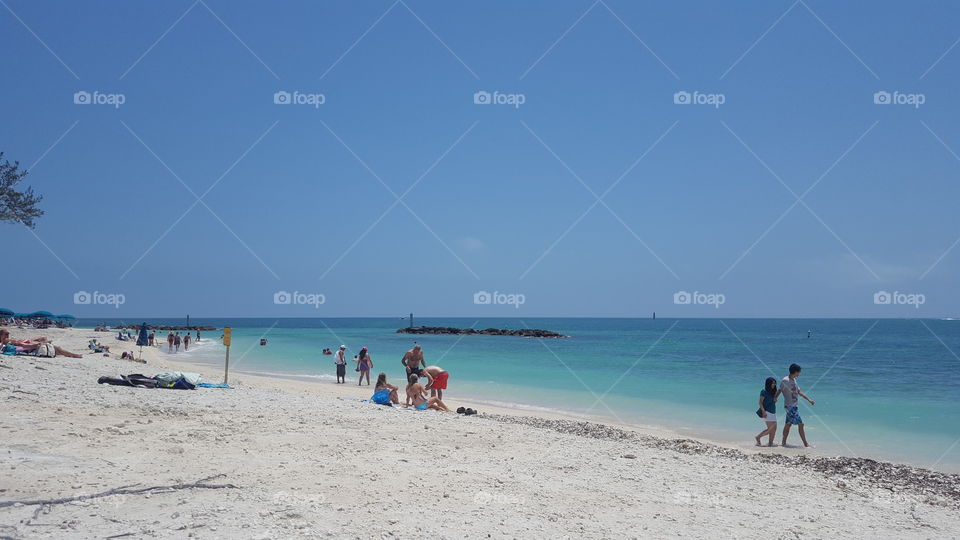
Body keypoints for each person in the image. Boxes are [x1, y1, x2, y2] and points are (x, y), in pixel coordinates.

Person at [781, 363, 815, 447]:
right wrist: (775, 398)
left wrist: (809, 399)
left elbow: (799, 392)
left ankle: (783, 443)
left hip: (794, 406)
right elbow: (780, 389)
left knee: (788, 424)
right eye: (799, 372)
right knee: (801, 424)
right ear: (795, 372)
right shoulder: (785, 380)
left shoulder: (794, 380)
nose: (799, 374)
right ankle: (806, 444)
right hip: (790, 406)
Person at [0, 329, 83, 358]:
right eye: (6, 334)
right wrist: (39, 344)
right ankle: (75, 355)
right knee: (57, 348)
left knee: (56, 349)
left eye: (8, 333)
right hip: (29, 349)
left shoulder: (8, 341)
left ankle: (73, 355)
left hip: (29, 347)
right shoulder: (7, 342)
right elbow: (24, 346)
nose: (8, 335)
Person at [755, 377, 779, 447]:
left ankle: (770, 443)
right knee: (771, 429)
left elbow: (774, 400)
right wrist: (763, 411)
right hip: (767, 412)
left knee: (774, 430)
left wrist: (775, 399)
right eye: (772, 383)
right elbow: (760, 403)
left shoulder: (773, 391)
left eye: (774, 383)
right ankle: (758, 437)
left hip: (773, 411)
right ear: (768, 384)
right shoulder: (763, 391)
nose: (774, 385)